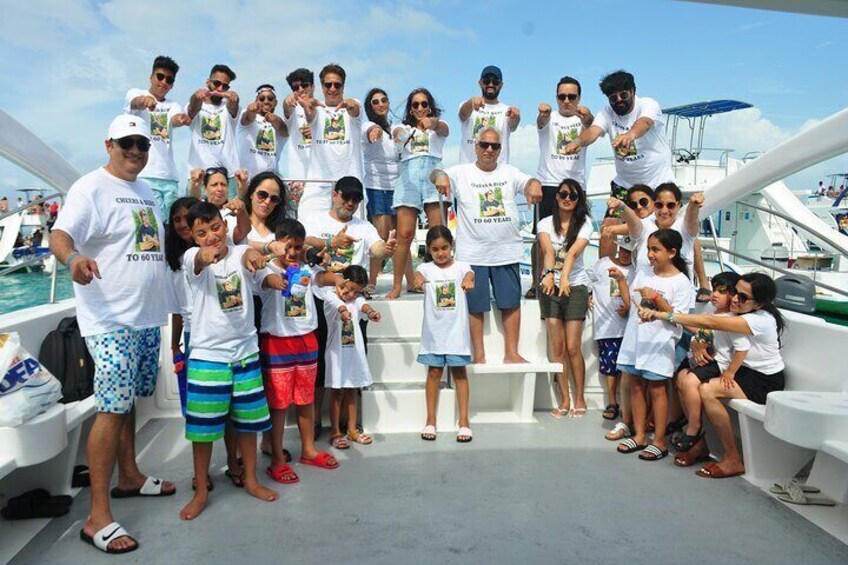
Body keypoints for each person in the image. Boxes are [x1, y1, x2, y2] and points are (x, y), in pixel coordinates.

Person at [50, 115, 174, 554]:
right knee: (111, 408)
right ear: (109, 144)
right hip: (111, 321)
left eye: (142, 143)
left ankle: (130, 476)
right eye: (127, 143)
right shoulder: (90, 188)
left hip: (144, 317)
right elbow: (61, 234)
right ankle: (97, 517)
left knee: (129, 404)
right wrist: (73, 261)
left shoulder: (144, 191)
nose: (136, 151)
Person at [179, 201, 285, 520]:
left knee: (249, 425)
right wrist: (205, 255)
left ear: (225, 226)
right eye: (202, 232)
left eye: (215, 228)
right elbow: (198, 261)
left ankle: (251, 479)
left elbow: (255, 263)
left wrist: (264, 271)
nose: (211, 236)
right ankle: (200, 491)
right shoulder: (189, 258)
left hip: (245, 354)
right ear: (193, 237)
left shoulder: (239, 253)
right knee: (203, 431)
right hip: (208, 358)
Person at [639, 272, 786, 478]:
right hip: (745, 371)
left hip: (763, 380)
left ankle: (732, 458)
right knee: (684, 379)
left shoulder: (758, 320)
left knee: (707, 390)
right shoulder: (740, 314)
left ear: (760, 303)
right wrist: (700, 343)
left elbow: (710, 322)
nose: (735, 298)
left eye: (743, 297)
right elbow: (709, 330)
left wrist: (658, 314)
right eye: (735, 292)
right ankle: (700, 445)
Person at [430, 128, 543, 364]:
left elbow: (529, 181)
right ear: (476, 147)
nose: (489, 150)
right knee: (475, 305)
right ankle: (478, 354)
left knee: (511, 303)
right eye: (484, 145)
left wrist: (534, 185)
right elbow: (436, 172)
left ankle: (511, 353)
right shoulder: (461, 172)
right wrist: (440, 177)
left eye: (495, 146)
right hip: (473, 253)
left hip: (507, 251)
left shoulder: (510, 172)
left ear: (500, 149)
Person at [302, 176, 397, 437]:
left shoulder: (364, 226)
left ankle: (348, 423)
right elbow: (305, 242)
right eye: (347, 197)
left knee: (353, 361)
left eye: (357, 199)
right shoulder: (315, 219)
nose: (351, 203)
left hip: (353, 306)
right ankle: (315, 423)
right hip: (321, 301)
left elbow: (376, 249)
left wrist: (385, 249)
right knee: (320, 364)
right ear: (335, 194)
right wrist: (330, 243)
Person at [258, 218, 340, 484]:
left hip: (307, 340)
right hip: (278, 342)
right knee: (279, 405)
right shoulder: (266, 267)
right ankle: (276, 458)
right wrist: (276, 281)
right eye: (288, 247)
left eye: (297, 247)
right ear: (278, 245)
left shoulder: (307, 268)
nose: (292, 252)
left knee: (306, 400)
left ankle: (308, 450)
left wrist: (337, 275)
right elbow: (266, 280)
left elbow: (323, 278)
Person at [611, 225, 694, 462]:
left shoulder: (681, 282)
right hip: (636, 339)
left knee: (657, 390)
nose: (650, 254)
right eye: (648, 249)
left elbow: (679, 317)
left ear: (672, 252)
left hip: (660, 342)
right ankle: (639, 435)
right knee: (635, 385)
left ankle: (659, 440)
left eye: (655, 250)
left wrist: (657, 298)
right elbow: (633, 304)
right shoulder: (644, 273)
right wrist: (621, 282)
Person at [671, 272, 750, 467]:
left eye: (722, 292)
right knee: (680, 378)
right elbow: (700, 330)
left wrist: (729, 372)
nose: (714, 294)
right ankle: (698, 440)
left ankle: (694, 428)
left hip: (718, 363)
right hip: (704, 359)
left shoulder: (731, 319)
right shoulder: (712, 313)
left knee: (689, 381)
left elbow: (738, 347)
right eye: (714, 290)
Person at [564, 70, 674, 203]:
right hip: (624, 186)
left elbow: (645, 122)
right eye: (613, 98)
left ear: (633, 91)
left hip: (657, 183)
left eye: (624, 95)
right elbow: (594, 130)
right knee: (610, 222)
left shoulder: (648, 104)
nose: (619, 100)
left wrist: (630, 135)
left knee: (660, 223)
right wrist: (578, 141)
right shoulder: (606, 112)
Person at [528, 76, 593, 298]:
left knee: (576, 236)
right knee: (541, 237)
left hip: (576, 187)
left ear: (579, 98)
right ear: (556, 98)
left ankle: (571, 281)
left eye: (571, 97)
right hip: (549, 185)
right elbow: (541, 121)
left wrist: (588, 115)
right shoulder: (550, 118)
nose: (566, 101)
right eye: (562, 96)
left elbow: (591, 124)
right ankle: (537, 283)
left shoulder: (584, 120)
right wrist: (543, 113)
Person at [413, 226, 475, 443]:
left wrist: (468, 281)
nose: (441, 253)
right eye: (435, 249)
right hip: (434, 334)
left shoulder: (462, 266)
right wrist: (418, 281)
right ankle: (430, 419)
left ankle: (465, 421)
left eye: (445, 248)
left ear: (452, 246)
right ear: (429, 250)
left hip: (457, 334)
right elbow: (417, 276)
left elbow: (469, 275)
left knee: (459, 374)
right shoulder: (425, 268)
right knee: (433, 373)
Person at [537, 179, 593, 419]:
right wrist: (550, 276)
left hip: (576, 286)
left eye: (573, 195)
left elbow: (572, 252)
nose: (567, 199)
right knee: (557, 347)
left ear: (578, 200)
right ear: (556, 197)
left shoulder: (586, 223)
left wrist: (565, 278)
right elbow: (549, 252)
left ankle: (579, 397)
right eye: (563, 194)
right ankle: (565, 398)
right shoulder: (544, 223)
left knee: (572, 346)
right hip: (551, 287)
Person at [388, 88, 450, 299]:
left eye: (424, 104)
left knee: (438, 232)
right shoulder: (401, 126)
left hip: (433, 174)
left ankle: (440, 281)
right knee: (404, 234)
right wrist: (402, 134)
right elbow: (396, 135)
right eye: (415, 105)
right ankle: (398, 284)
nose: (420, 108)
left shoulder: (439, 127)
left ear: (430, 106)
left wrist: (432, 123)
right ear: (410, 109)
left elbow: (443, 129)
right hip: (409, 176)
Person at [313, 265, 381, 449]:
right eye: (347, 288)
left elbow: (363, 305)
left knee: (352, 391)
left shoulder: (357, 301)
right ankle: (335, 431)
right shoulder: (329, 297)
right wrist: (343, 311)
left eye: (355, 291)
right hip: (336, 356)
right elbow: (338, 305)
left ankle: (352, 430)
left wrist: (371, 312)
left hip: (353, 355)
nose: (350, 294)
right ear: (340, 281)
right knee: (336, 392)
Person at [125, 55, 191, 218]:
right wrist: (145, 101)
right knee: (150, 222)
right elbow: (135, 102)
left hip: (169, 177)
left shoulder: (173, 105)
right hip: (145, 174)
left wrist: (182, 119)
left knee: (171, 226)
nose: (163, 82)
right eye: (160, 77)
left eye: (169, 80)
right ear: (151, 77)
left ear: (172, 85)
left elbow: (176, 119)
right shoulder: (136, 93)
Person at [297, 63, 363, 221]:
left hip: (349, 186)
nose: (332, 89)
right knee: (307, 231)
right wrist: (307, 108)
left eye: (337, 85)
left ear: (343, 87)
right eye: (328, 84)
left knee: (351, 237)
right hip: (318, 185)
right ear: (322, 86)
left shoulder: (353, 108)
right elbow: (310, 117)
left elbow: (355, 109)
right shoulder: (316, 109)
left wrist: (350, 104)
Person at [360, 88, 409, 291]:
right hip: (377, 187)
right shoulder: (367, 125)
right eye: (375, 102)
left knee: (401, 237)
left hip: (399, 187)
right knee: (381, 236)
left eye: (383, 100)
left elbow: (400, 133)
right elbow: (372, 131)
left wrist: (399, 134)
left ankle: (409, 281)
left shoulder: (395, 126)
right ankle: (371, 282)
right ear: (370, 107)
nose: (380, 104)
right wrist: (375, 133)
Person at [587, 235, 634, 422]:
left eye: (629, 251)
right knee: (610, 368)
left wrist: (629, 308)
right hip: (606, 328)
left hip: (629, 328)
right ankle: (612, 402)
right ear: (617, 248)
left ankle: (626, 405)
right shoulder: (602, 264)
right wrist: (588, 296)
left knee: (628, 369)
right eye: (623, 249)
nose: (625, 254)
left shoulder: (637, 271)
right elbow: (587, 281)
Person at [164, 197, 200, 418]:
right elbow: (177, 311)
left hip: (216, 332)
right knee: (195, 402)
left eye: (187, 217)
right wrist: (174, 346)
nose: (182, 224)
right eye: (176, 219)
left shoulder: (215, 252)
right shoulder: (173, 262)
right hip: (190, 335)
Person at [186, 65, 241, 199]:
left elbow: (234, 108)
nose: (220, 89)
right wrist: (196, 96)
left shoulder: (228, 107)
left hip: (229, 177)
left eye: (225, 86)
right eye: (217, 83)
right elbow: (192, 110)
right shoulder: (195, 104)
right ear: (208, 83)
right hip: (198, 175)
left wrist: (234, 99)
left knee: (230, 217)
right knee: (195, 217)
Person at [458, 65, 519, 164]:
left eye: (495, 81)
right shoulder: (468, 105)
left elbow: (513, 125)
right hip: (468, 173)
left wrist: (515, 116)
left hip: (498, 172)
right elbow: (462, 115)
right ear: (480, 83)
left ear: (501, 85)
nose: (491, 84)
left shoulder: (506, 110)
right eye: (486, 80)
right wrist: (470, 103)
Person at [188, 166, 250, 244]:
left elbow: (243, 228)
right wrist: (194, 183)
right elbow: (193, 202)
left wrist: (243, 184)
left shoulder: (234, 211)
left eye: (223, 184)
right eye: (214, 185)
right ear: (205, 188)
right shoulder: (199, 211)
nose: (220, 189)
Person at [239, 84, 288, 180]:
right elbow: (248, 118)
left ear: (275, 102)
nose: (266, 101)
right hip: (247, 179)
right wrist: (251, 111)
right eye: (261, 98)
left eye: (270, 98)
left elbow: (284, 131)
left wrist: (274, 119)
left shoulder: (278, 121)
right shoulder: (245, 114)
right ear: (256, 101)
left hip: (269, 179)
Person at [243, 171, 287, 252]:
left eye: (274, 199)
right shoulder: (235, 221)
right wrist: (268, 247)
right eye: (262, 194)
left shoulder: (284, 231)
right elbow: (234, 243)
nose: (267, 201)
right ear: (251, 194)